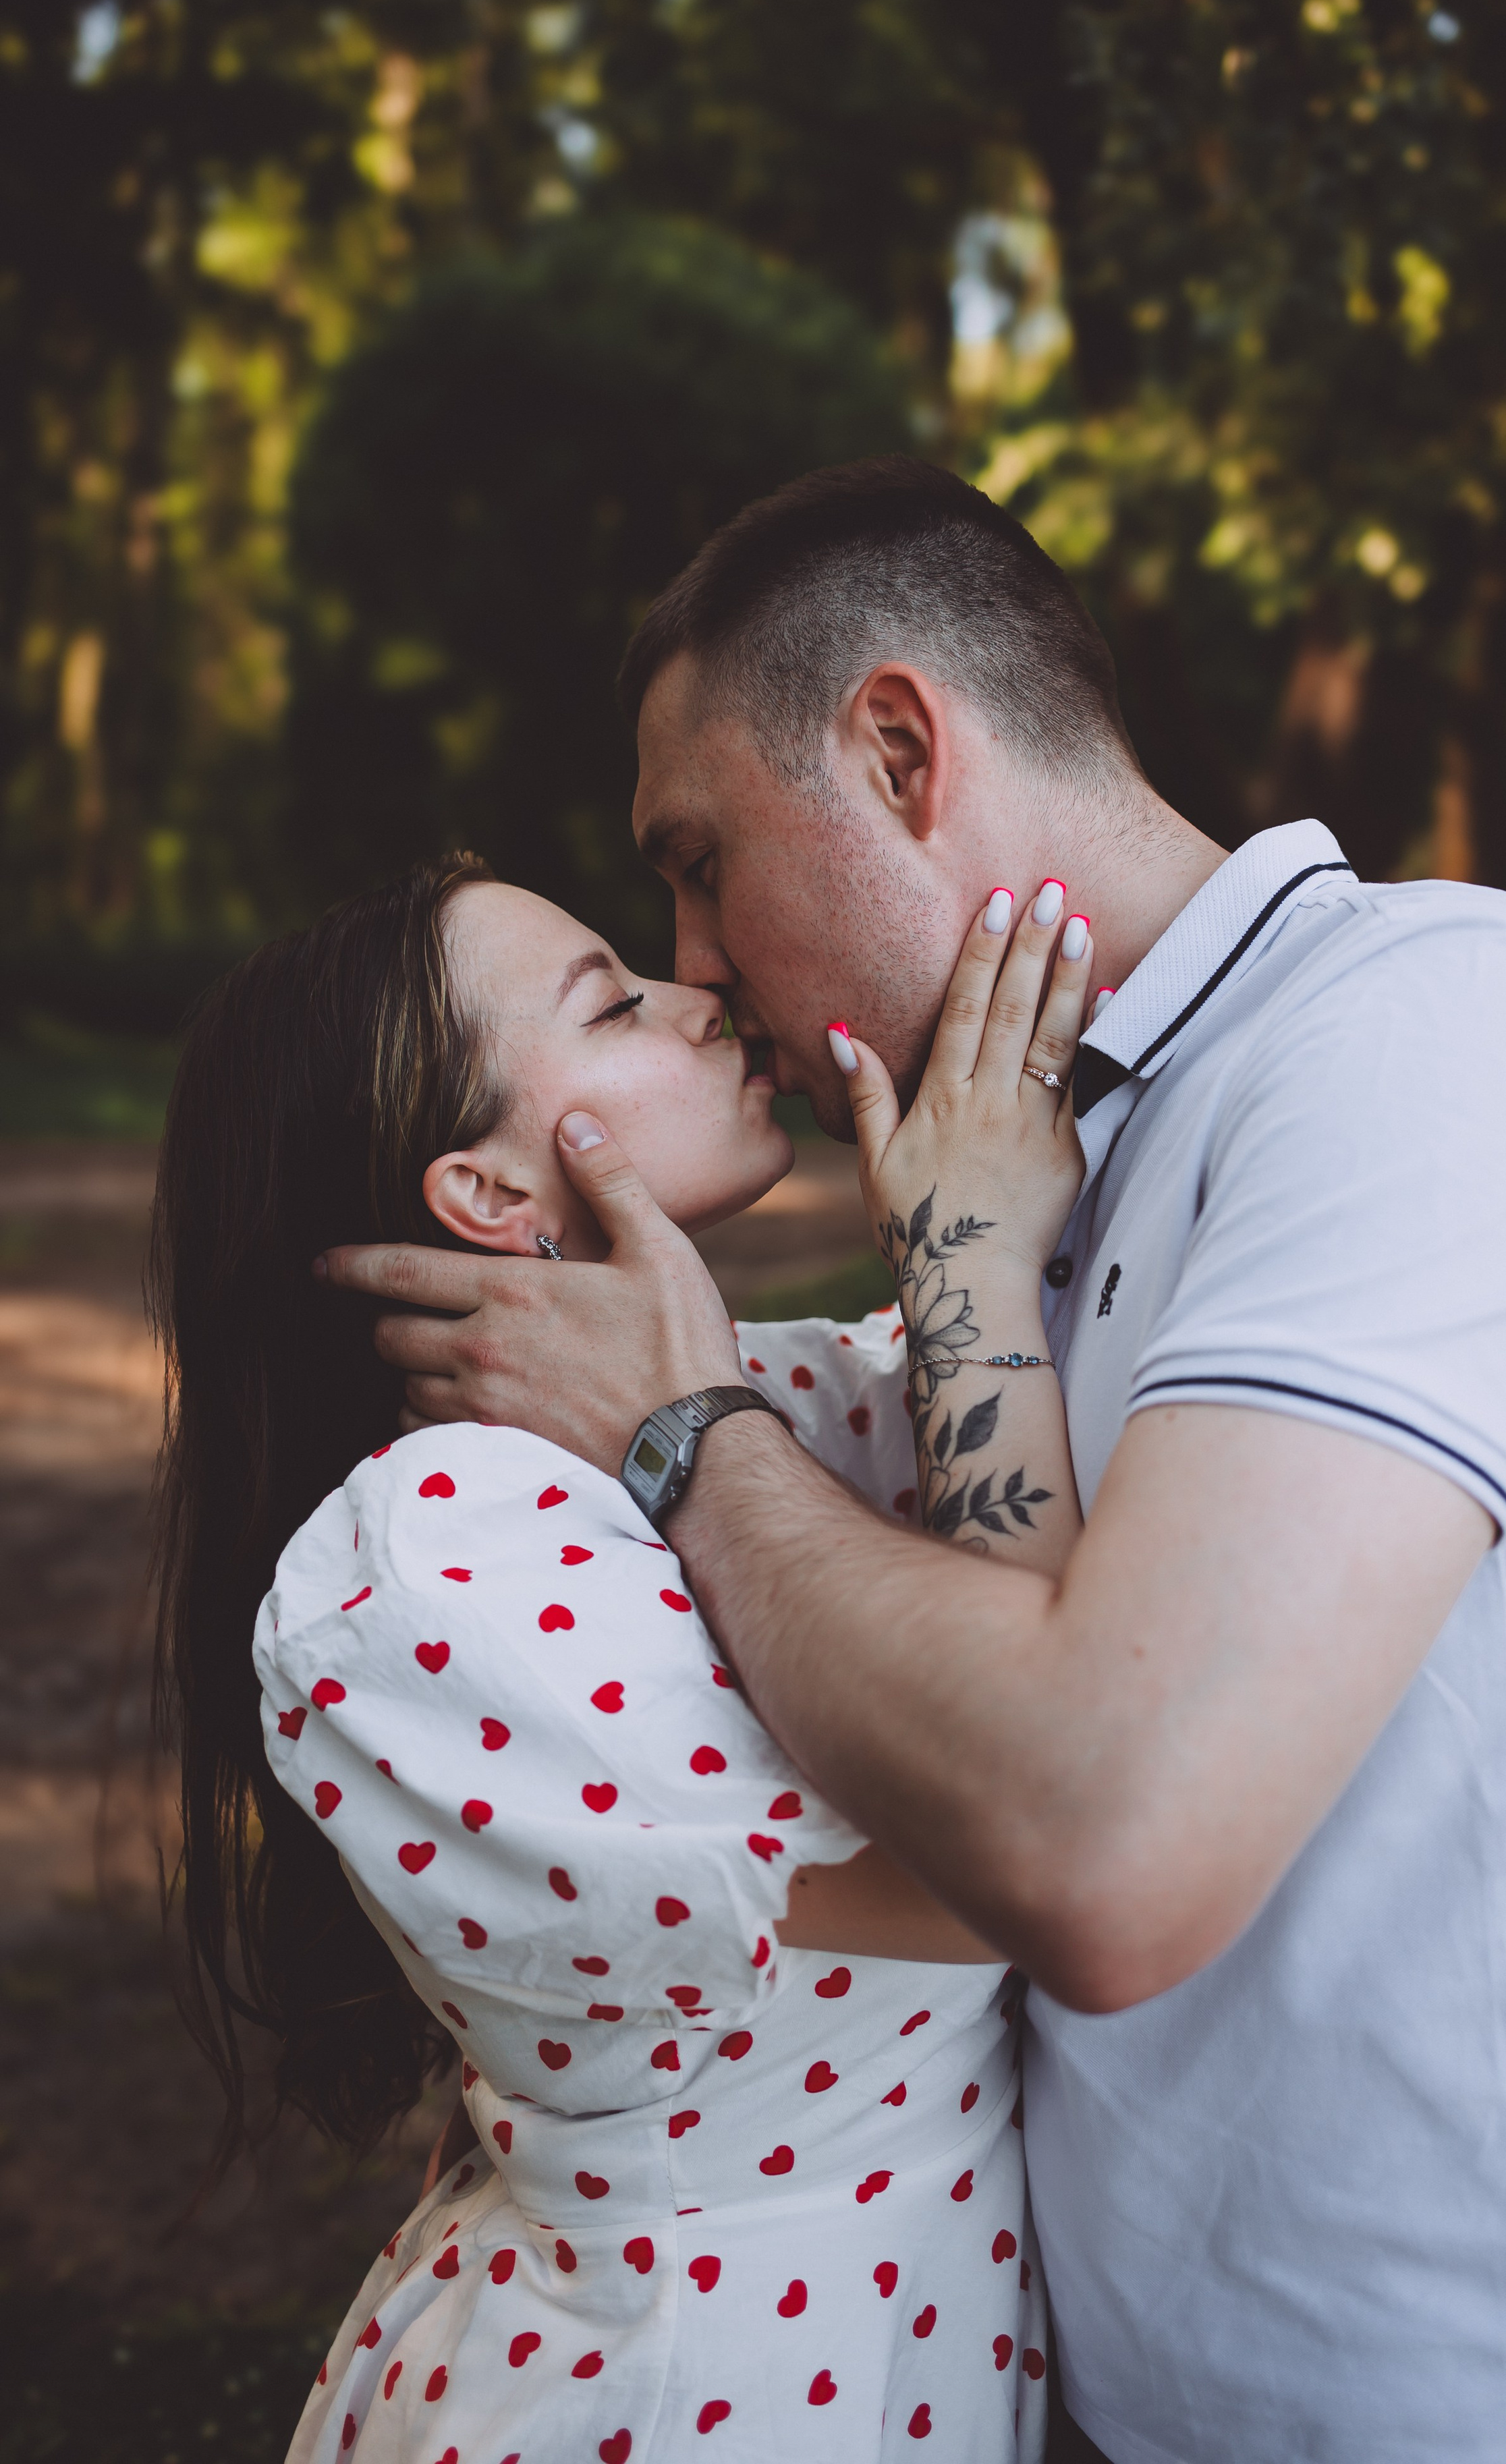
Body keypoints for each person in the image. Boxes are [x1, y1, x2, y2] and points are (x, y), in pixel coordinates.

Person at [323, 457, 1506, 2464]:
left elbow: (1103, 1832)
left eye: (703, 861)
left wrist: (682, 1432)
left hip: (1474, 2406)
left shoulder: (1427, 1035)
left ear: (900, 748)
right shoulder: (1020, 1176)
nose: (695, 960)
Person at [150, 849, 1098, 2461]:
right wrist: (967, 1269)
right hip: (680, 2392)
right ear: (497, 1197)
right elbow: (1018, 1848)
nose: (698, 989)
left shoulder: (745, 1400)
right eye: (614, 1000)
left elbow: (993, 1428)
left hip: (866, 2354)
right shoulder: (439, 1557)